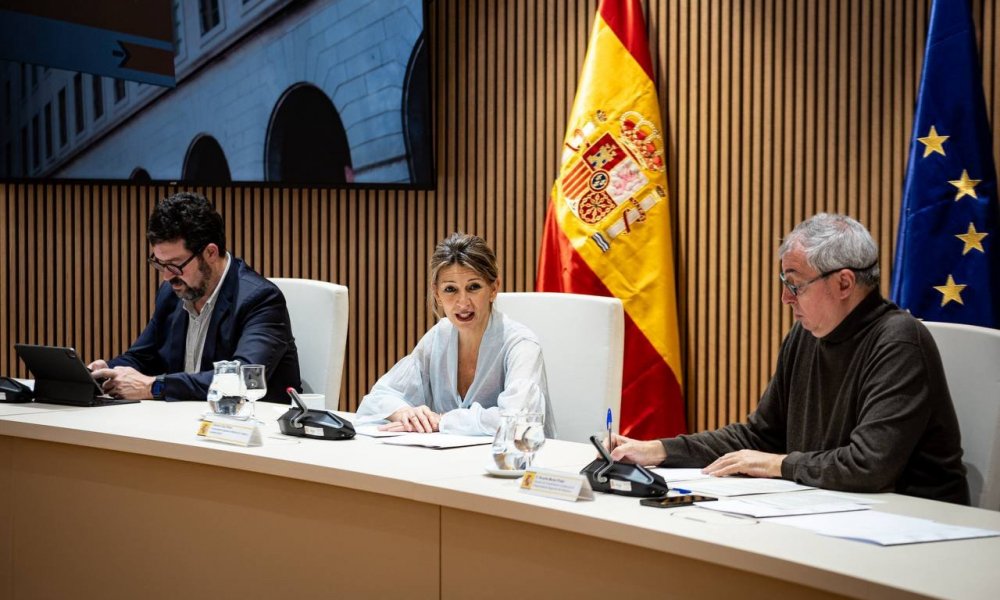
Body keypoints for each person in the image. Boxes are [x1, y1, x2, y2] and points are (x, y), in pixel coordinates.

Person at [610, 213, 970, 504]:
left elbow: (869, 465)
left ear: (844, 284)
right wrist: (660, 450)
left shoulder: (899, 342)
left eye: (795, 285)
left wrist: (779, 465)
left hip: (918, 525)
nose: (785, 298)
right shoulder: (806, 335)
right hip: (835, 508)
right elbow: (760, 435)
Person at [89, 192, 301, 402]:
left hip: (249, 420)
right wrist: (105, 372)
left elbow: (243, 379)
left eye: (175, 265)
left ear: (210, 253)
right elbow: (143, 357)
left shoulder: (261, 299)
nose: (167, 276)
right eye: (160, 264)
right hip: (183, 418)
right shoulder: (172, 292)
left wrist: (154, 387)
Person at [356, 232, 556, 437]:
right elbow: (378, 397)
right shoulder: (438, 337)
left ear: (494, 288)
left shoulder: (522, 344)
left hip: (516, 457)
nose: (463, 302)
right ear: (437, 294)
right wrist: (405, 413)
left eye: (473, 287)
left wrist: (443, 421)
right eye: (450, 289)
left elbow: (519, 419)